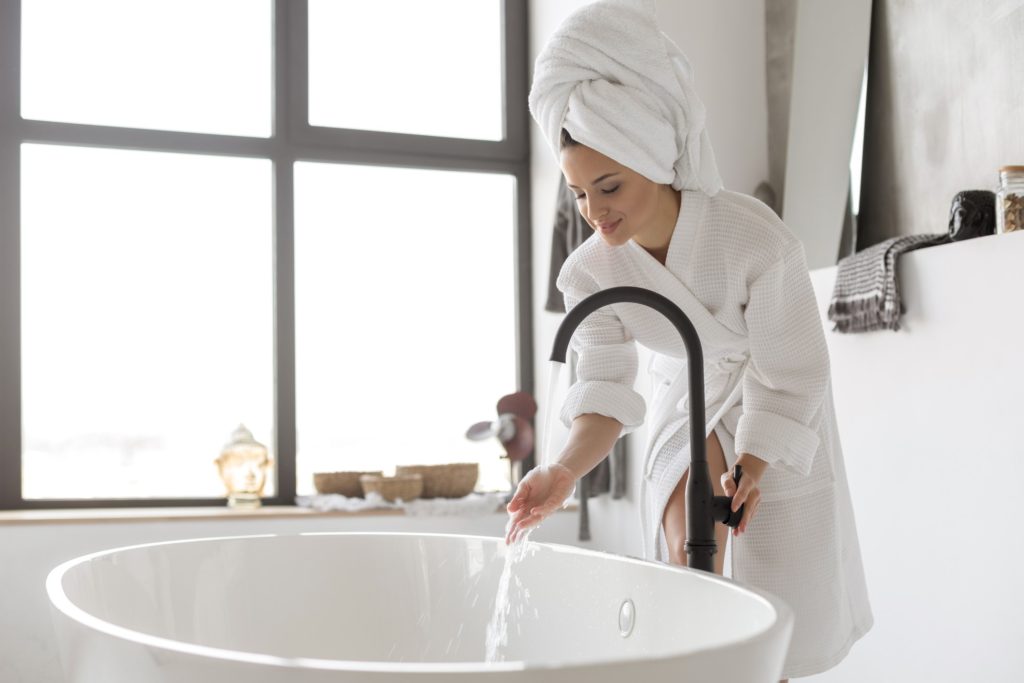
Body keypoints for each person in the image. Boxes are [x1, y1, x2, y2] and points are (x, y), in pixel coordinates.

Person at [504, 1, 873, 680]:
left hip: (774, 411)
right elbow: (605, 394)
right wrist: (562, 471)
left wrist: (756, 464)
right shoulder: (589, 271)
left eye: (608, 185)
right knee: (692, 565)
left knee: (778, 612)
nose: (594, 211)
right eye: (580, 193)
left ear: (654, 156)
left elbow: (791, 370)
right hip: (690, 402)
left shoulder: (753, 237)